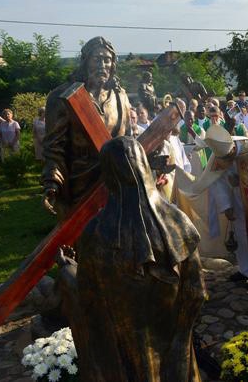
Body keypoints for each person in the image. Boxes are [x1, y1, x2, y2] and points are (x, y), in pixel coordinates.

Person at [55, 136, 205, 381]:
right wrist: (181, 338)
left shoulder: (95, 234)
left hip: (128, 353)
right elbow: (196, 291)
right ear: (144, 167)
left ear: (108, 176)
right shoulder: (177, 222)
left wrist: (66, 270)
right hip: (175, 340)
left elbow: (87, 297)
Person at [174, 125, 248, 291]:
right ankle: (245, 271)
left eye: (229, 157)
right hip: (236, 202)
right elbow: (216, 180)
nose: (226, 160)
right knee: (241, 238)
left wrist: (243, 181)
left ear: (233, 148)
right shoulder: (219, 154)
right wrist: (226, 206)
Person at [42, 36, 132, 219]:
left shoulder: (120, 96)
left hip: (116, 183)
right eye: (96, 59)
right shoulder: (63, 97)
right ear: (85, 62)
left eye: (107, 59)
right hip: (80, 185)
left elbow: (129, 140)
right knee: (82, 239)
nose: (102, 65)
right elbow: (54, 148)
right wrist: (52, 182)